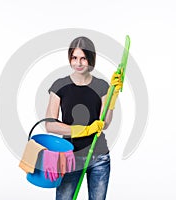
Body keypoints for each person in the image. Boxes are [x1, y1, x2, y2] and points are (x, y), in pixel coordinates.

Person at [45, 36, 122, 200]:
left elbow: (105, 123)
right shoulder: (59, 85)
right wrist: (83, 130)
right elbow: (50, 125)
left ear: (91, 59)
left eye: (83, 58)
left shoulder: (101, 86)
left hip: (99, 157)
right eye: (74, 58)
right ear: (70, 58)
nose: (78, 63)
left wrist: (112, 97)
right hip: (70, 157)